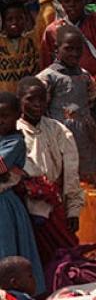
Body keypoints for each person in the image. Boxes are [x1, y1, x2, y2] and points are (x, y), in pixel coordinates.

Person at [37, 25, 96, 193]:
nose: (74, 53)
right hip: (59, 136)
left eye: (78, 49)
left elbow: (90, 99)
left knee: (88, 184)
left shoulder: (84, 75)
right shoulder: (48, 77)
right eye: (68, 49)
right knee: (61, 179)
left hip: (85, 137)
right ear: (56, 48)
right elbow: (40, 106)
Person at [16, 76, 81, 267]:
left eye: (42, 99)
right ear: (19, 99)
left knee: (62, 258)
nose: (37, 105)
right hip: (23, 207)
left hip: (53, 208)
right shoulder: (12, 132)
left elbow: (71, 172)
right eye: (30, 99)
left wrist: (73, 211)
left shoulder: (58, 130)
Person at [0, 92, 45, 295]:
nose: (0, 121)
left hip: (4, 208)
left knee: (6, 253)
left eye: (5, 116)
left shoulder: (14, 141)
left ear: (18, 116)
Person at [0, 3, 39, 94]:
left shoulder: (32, 41)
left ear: (26, 20)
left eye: (19, 18)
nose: (15, 22)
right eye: (10, 19)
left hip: (27, 97)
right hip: (4, 100)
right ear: (3, 23)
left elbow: (43, 22)